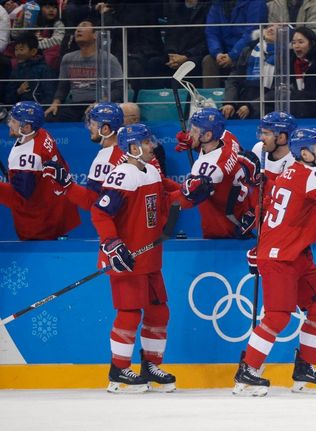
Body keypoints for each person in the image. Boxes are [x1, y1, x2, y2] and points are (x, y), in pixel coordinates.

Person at [233, 128, 316, 397]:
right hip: (282, 257)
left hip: (295, 253)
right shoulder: (314, 174)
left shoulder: (290, 171)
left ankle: (305, 369)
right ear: (305, 153)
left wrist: (261, 246)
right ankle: (247, 371)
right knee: (278, 316)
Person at [91, 123, 186, 393]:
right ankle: (119, 370)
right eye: (146, 142)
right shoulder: (122, 175)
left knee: (159, 310)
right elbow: (100, 213)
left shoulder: (152, 170)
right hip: (126, 258)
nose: (152, 145)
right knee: (130, 313)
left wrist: (191, 192)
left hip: (150, 257)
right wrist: (111, 244)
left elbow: (169, 198)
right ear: (133, 148)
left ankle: (150, 366)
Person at [171, 107, 259, 239]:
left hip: (224, 226)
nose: (190, 134)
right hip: (240, 209)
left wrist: (160, 202)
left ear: (207, 136)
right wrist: (194, 143)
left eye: (194, 131)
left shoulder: (207, 168)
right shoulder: (228, 137)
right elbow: (216, 153)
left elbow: (186, 201)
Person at [0, 101, 80, 240]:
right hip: (57, 209)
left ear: (27, 127)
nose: (9, 123)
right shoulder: (42, 134)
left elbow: (21, 199)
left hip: (39, 225)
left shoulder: (25, 158)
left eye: (13, 121)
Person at [42, 102, 126, 211]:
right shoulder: (129, 148)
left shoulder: (105, 160)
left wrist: (67, 185)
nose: (90, 127)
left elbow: (90, 202)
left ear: (105, 129)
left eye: (93, 124)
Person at [45, 19, 123, 122]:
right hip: (75, 105)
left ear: (95, 35)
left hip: (99, 104)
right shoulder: (67, 58)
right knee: (51, 116)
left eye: (84, 26)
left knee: (90, 118)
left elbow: (119, 89)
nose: (78, 30)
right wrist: (55, 104)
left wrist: (100, 102)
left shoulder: (109, 59)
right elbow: (63, 87)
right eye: (77, 29)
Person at [4, 31, 56, 105]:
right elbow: (8, 98)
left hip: (38, 111)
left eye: (21, 49)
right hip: (18, 111)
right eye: (16, 50)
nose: (18, 53)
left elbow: (49, 95)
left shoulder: (44, 69)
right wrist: (18, 91)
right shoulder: (16, 70)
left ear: (33, 51)